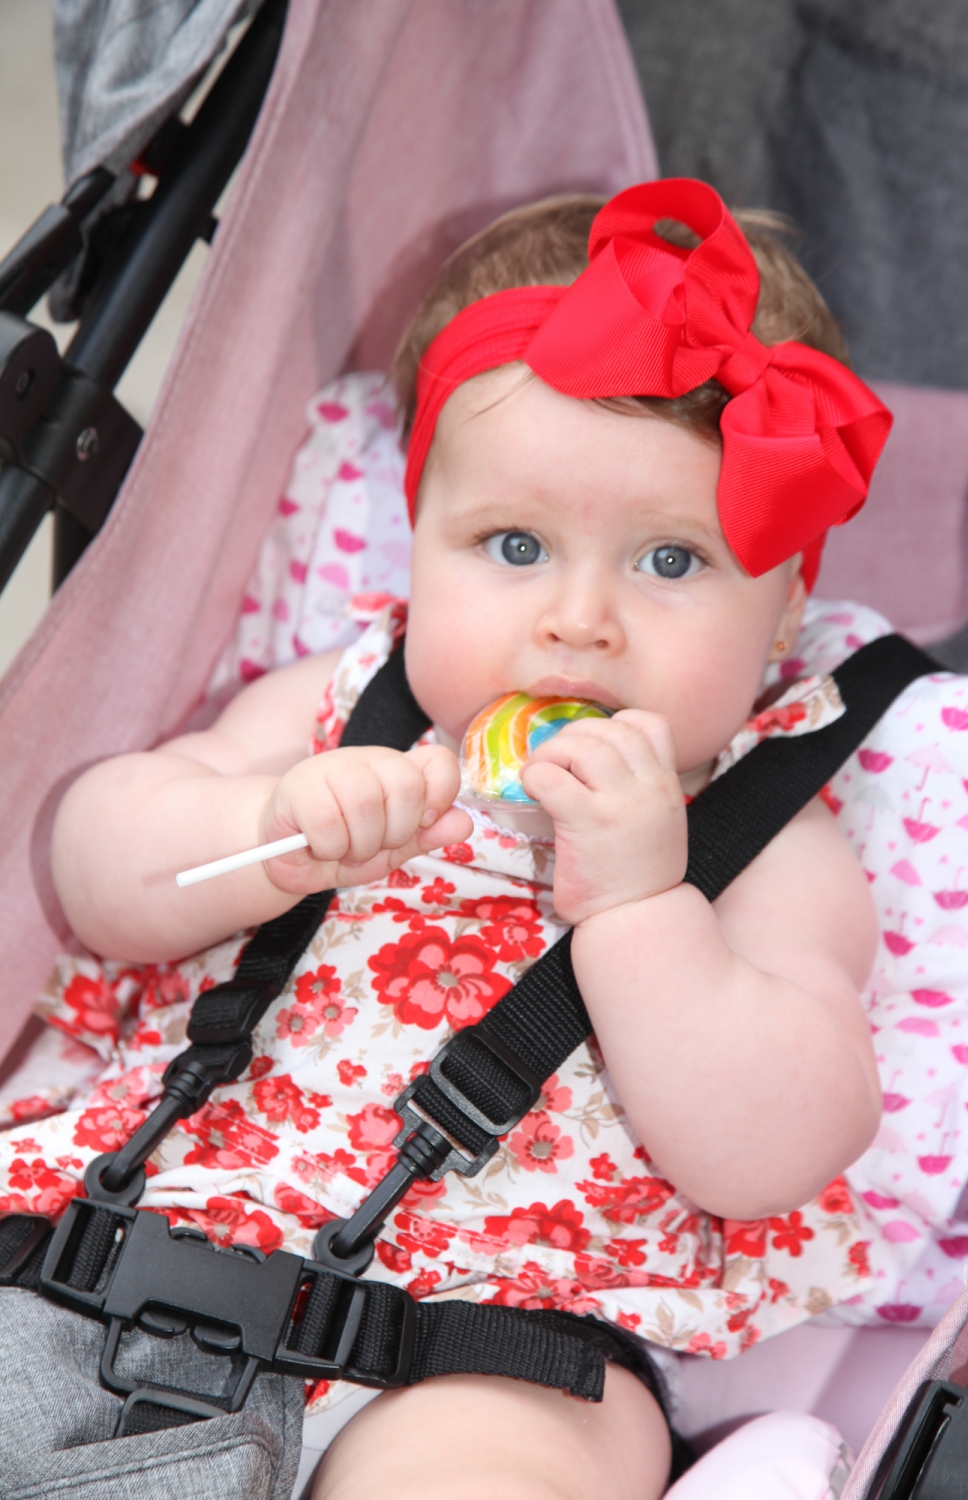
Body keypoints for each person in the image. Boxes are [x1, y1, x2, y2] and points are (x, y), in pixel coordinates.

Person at [5, 179, 890, 1499]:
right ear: (418, 543)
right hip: (122, 1236)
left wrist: (645, 909)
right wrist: (262, 829)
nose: (579, 620)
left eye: (670, 562)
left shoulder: (765, 840)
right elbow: (95, 869)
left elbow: (775, 1150)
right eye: (514, 544)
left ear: (785, 608)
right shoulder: (336, 709)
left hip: (495, 1346)